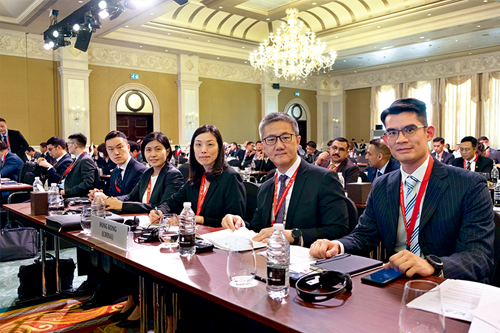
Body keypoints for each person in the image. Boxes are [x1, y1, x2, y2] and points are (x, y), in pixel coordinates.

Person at [309, 98, 495, 283]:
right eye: (392, 132)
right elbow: (364, 236)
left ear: (429, 133)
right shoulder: (382, 185)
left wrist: (432, 265)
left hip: (446, 287)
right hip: (394, 283)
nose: (401, 139)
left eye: (410, 129)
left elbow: (478, 256)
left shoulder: (468, 185)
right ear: (386, 140)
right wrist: (337, 246)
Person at [221, 112, 349, 247]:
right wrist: (239, 223)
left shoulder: (323, 179)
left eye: (285, 138)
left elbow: (339, 229)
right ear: (263, 147)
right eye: (271, 140)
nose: (279, 146)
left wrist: (294, 235)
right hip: (268, 259)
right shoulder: (266, 186)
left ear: (298, 141)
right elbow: (257, 229)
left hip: (307, 261)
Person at [149, 125, 246, 227]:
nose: (203, 150)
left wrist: (199, 219)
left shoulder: (230, 177)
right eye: (198, 144)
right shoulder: (197, 177)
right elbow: (172, 202)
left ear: (219, 148)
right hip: (195, 237)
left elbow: (235, 222)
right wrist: (158, 211)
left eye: (210, 144)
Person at [104, 132, 184, 213]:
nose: (153, 154)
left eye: (158, 149)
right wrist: (110, 200)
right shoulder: (147, 173)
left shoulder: (173, 174)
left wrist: (122, 205)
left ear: (167, 151)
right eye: (148, 150)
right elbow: (131, 196)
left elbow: (164, 206)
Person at [89, 131, 147, 199]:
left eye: (119, 147)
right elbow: (112, 196)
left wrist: (106, 199)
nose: (116, 152)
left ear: (128, 147)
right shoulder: (114, 172)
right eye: (111, 149)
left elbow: (134, 199)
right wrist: (99, 196)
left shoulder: (140, 170)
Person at [60, 133, 97, 197]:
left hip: (76, 197)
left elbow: (88, 183)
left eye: (68, 143)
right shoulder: (77, 159)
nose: (67, 146)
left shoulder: (85, 160)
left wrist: (66, 192)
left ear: (75, 145)